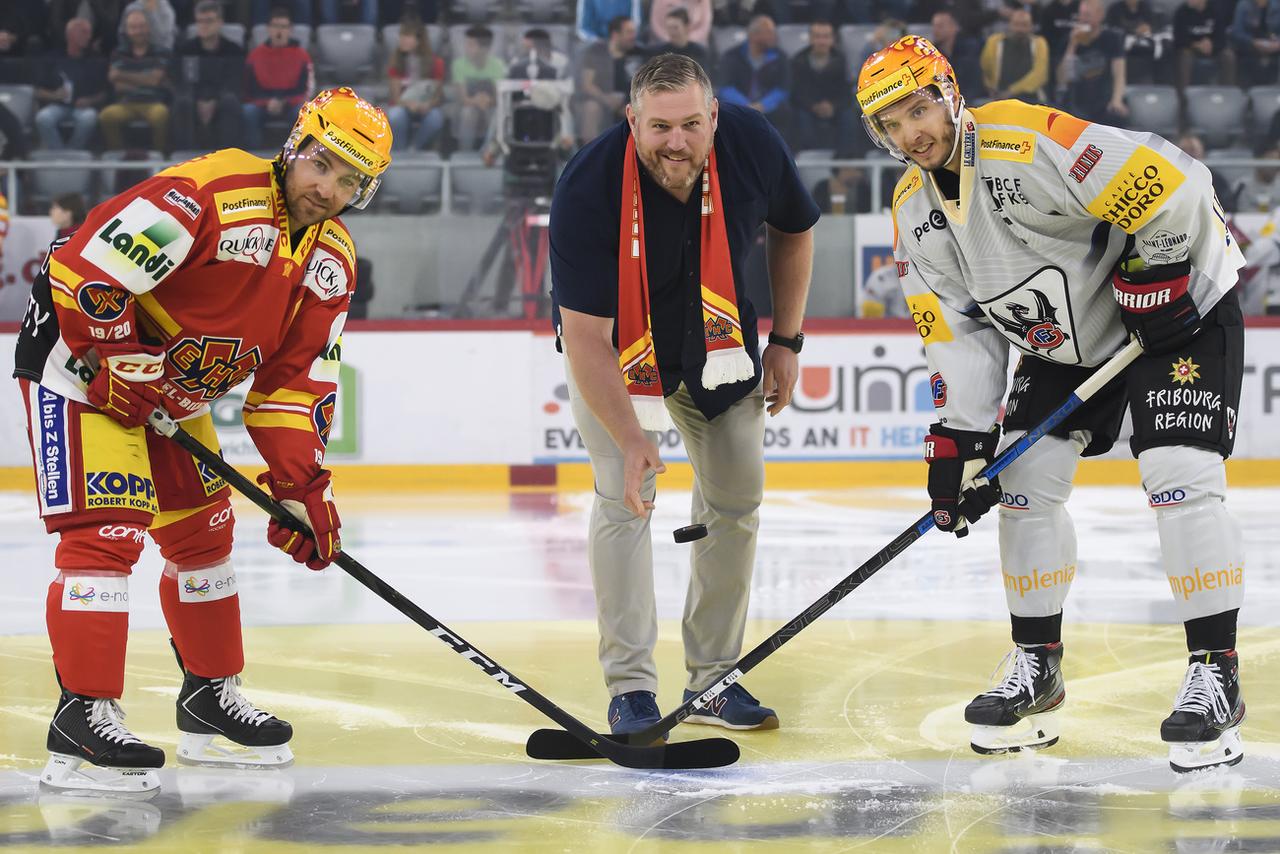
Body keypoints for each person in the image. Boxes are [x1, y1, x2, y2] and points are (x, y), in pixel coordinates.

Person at [855, 35, 1247, 773]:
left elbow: (1172, 179)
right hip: (1064, 343)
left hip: (1173, 311)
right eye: (891, 122)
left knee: (1176, 474)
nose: (913, 132)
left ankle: (1215, 674)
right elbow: (959, 336)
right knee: (1022, 490)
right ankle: (1038, 668)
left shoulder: (1025, 139)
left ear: (949, 92)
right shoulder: (913, 214)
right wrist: (962, 445)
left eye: (920, 106)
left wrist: (1159, 265)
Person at [11, 86, 391, 794]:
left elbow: (293, 387)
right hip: (79, 363)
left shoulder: (331, 259)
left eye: (350, 181)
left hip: (172, 390)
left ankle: (209, 699)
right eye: (323, 165)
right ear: (294, 145)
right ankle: (81, 716)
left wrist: (301, 491)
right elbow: (88, 268)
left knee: (205, 536)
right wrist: (113, 355)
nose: (328, 189)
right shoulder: (213, 193)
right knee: (107, 533)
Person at [549, 53, 818, 737]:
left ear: (715, 117)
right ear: (631, 119)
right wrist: (634, 441)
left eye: (692, 124)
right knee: (623, 502)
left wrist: (788, 339)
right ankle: (631, 690)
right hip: (618, 358)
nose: (677, 141)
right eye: (660, 126)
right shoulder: (586, 184)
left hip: (720, 356)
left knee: (737, 502)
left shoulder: (753, 142)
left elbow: (796, 226)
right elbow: (584, 338)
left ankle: (714, 682)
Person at [173, 0, 245, 152]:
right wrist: (200, 100)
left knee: (229, 102)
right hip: (194, 98)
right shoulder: (186, 50)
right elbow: (183, 82)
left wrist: (214, 100)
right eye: (200, 21)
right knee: (183, 102)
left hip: (223, 97)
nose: (204, 25)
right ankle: (185, 156)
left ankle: (228, 156)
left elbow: (233, 82)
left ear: (220, 22)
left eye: (209, 21)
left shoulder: (233, 50)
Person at [99, 9, 173, 152]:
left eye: (141, 26)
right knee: (107, 116)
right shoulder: (119, 53)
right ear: (126, 30)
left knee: (161, 115)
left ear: (148, 27)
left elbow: (155, 80)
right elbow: (116, 84)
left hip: (154, 104)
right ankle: (118, 157)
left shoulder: (161, 52)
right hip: (125, 104)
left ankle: (158, 157)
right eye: (133, 27)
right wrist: (145, 78)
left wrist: (123, 75)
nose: (138, 31)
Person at [242, 6, 314, 150]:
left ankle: (294, 155)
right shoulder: (255, 56)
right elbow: (247, 89)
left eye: (284, 26)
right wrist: (267, 102)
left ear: (290, 30)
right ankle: (253, 153)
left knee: (302, 112)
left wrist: (284, 102)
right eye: (275, 26)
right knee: (248, 111)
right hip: (262, 103)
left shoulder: (302, 56)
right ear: (268, 29)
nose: (279, 31)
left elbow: (307, 90)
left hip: (291, 103)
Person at [34, 18, 108, 151]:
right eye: (84, 32)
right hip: (58, 105)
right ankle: (60, 155)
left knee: (89, 118)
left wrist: (89, 100)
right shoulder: (53, 58)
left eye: (89, 33)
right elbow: (38, 91)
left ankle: (72, 154)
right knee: (42, 118)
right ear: (70, 35)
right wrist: (55, 95)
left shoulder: (96, 59)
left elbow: (104, 93)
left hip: (83, 108)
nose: (89, 37)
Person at [717, 15, 790, 136]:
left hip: (770, 109)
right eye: (769, 32)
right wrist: (746, 105)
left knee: (786, 110)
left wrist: (763, 105)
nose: (774, 36)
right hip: (739, 107)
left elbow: (783, 89)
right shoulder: (731, 56)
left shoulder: (780, 57)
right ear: (754, 35)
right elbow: (725, 87)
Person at [575, 16, 644, 143]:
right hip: (600, 100)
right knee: (591, 108)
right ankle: (590, 157)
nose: (633, 36)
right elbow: (587, 84)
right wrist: (606, 100)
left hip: (629, 103)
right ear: (615, 34)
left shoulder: (639, 53)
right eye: (629, 32)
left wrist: (628, 105)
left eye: (634, 32)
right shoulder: (596, 51)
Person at [789, 19, 855, 152]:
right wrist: (813, 106)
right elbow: (796, 91)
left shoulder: (841, 60)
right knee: (797, 116)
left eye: (826, 37)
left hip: (835, 106)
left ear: (832, 39)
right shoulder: (798, 60)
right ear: (810, 39)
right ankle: (807, 159)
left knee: (850, 115)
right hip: (807, 106)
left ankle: (844, 164)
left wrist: (833, 106)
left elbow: (845, 91)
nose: (822, 41)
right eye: (817, 37)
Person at [1059, 0, 1128, 125]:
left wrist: (1117, 99)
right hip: (1076, 102)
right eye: (1081, 15)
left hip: (1103, 100)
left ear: (1100, 15)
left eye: (1087, 15)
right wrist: (1072, 45)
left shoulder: (1112, 38)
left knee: (1117, 117)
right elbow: (1063, 78)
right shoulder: (1069, 40)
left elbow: (1119, 74)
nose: (1083, 19)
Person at [384, 13, 446, 151]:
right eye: (401, 36)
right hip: (403, 106)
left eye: (407, 36)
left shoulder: (436, 63)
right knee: (395, 115)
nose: (402, 40)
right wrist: (409, 103)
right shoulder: (396, 61)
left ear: (419, 40)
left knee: (436, 117)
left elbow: (438, 96)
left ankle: (415, 148)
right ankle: (400, 149)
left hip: (425, 107)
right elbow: (395, 98)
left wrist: (427, 104)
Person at [449, 25, 506, 152]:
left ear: (484, 49)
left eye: (471, 45)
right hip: (467, 105)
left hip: (491, 105)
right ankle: (464, 152)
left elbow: (499, 98)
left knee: (497, 115)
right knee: (468, 113)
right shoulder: (458, 64)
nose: (466, 48)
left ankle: (490, 152)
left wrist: (487, 102)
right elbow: (463, 98)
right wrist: (478, 101)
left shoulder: (498, 65)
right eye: (466, 44)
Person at [979, 7, 1050, 102]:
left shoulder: (1039, 43)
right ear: (1009, 25)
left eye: (1024, 25)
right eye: (1016, 24)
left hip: (1031, 99)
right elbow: (985, 69)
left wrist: (1011, 91)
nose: (1020, 29)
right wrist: (991, 88)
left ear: (1031, 27)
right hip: (998, 96)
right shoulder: (995, 42)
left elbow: (1039, 75)